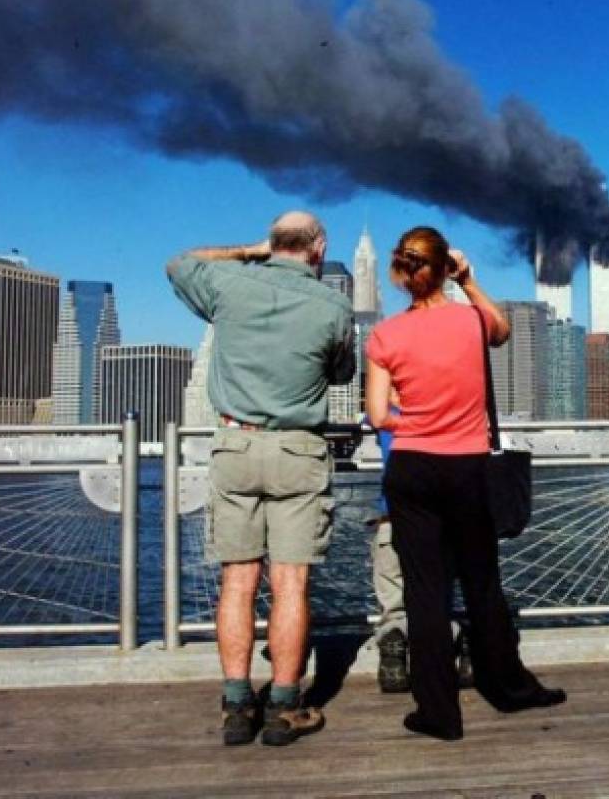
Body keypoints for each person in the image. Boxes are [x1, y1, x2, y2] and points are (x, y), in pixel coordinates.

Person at [365, 226, 565, 741]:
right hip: (468, 468)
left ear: (402, 273)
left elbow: (375, 413)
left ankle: (438, 712)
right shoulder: (472, 321)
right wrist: (470, 279)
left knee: (424, 595)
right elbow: (502, 330)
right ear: (442, 268)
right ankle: (510, 689)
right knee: (482, 584)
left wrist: (411, 420)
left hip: (411, 467)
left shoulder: (385, 335)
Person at [167, 210, 355, 746]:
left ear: (272, 244)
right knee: (291, 581)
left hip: (235, 444)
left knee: (238, 581)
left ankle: (235, 706)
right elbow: (342, 372)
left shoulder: (230, 284)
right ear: (318, 248)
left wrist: (246, 253)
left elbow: (178, 263)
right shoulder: (335, 306)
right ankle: (284, 707)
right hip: (300, 448)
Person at [364, 403, 472, 693]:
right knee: (437, 596)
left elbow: (372, 416)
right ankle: (452, 642)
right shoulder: (446, 408)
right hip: (441, 519)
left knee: (393, 597)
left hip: (394, 517)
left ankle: (395, 643)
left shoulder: (385, 411)